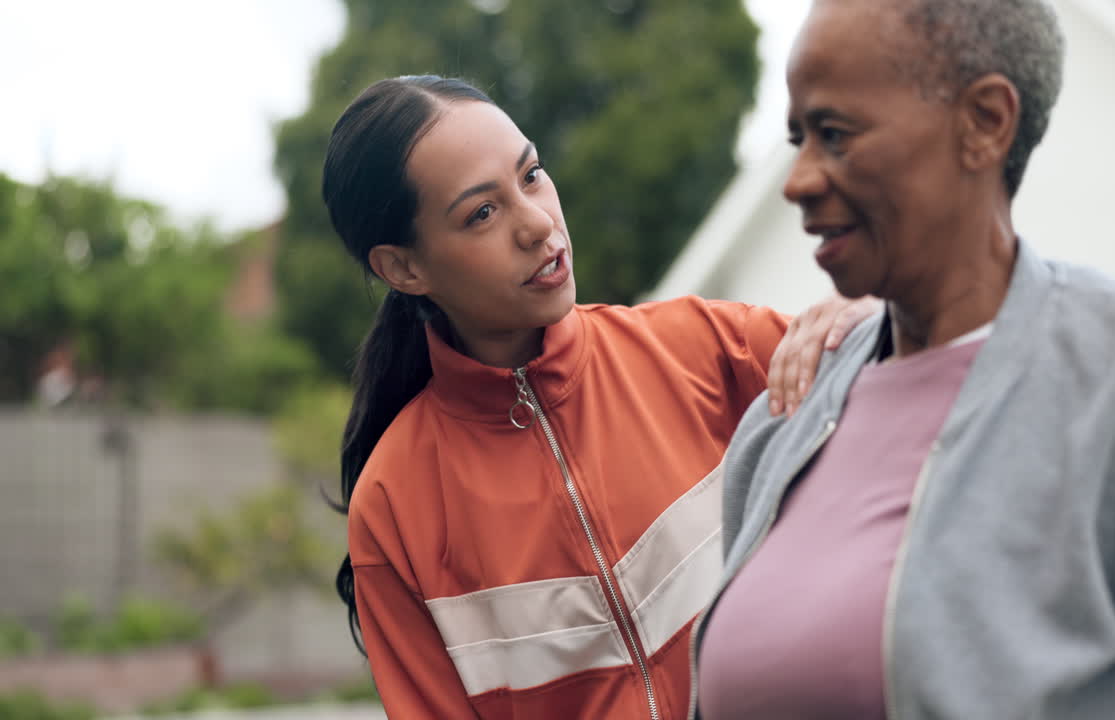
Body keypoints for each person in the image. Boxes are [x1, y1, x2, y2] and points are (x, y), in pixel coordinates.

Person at [693, 0, 1115, 718]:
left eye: (835, 135)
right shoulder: (780, 426)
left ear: (985, 122)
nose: (799, 180)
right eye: (797, 138)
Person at [323, 75, 876, 719]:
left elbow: (934, 401)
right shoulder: (394, 506)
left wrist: (868, 317)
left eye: (531, 175)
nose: (536, 224)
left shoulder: (708, 347)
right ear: (403, 268)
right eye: (481, 212)